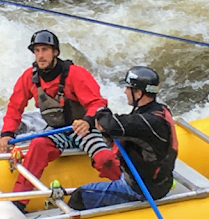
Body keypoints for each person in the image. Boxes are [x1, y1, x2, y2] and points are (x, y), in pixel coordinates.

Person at [0, 30, 120, 210]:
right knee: (38, 145)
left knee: (105, 159)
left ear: (55, 52)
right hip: (56, 131)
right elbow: (15, 108)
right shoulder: (29, 77)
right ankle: (18, 203)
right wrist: (7, 134)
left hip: (84, 129)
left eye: (45, 50)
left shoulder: (76, 74)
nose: (40, 55)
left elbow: (98, 104)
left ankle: (129, 187)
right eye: (37, 51)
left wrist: (87, 121)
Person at [68, 66, 179, 210]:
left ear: (138, 93)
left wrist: (99, 108)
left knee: (79, 196)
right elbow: (121, 127)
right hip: (157, 181)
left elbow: (111, 123)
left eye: (128, 88)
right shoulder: (159, 110)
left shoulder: (148, 121)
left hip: (141, 189)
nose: (125, 92)